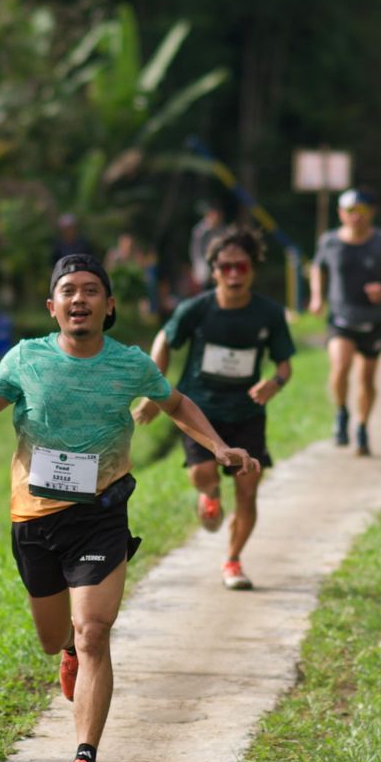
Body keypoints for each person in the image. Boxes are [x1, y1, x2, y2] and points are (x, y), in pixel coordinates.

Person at [0, 253, 258, 762]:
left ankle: (84, 759)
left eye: (91, 290)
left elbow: (176, 403)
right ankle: (65, 647)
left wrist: (219, 447)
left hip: (100, 514)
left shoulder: (130, 364)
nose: (80, 299)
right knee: (55, 639)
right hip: (34, 520)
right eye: (68, 290)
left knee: (93, 631)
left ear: (108, 306)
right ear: (52, 307)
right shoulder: (26, 359)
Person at [133, 227, 295, 591]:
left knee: (249, 489)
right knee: (201, 475)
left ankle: (233, 560)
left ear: (253, 268)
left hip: (247, 412)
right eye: (226, 267)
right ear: (213, 270)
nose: (234, 274)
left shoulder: (268, 314)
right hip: (200, 410)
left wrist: (275, 383)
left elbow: (284, 365)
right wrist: (154, 394)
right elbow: (164, 339)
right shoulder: (196, 309)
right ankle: (208, 495)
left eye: (242, 266)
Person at [309, 188, 381, 456]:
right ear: (341, 213)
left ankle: (362, 426)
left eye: (361, 211)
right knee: (340, 367)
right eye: (351, 211)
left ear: (371, 212)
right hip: (340, 317)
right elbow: (318, 267)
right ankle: (341, 413)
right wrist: (317, 296)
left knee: (366, 378)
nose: (356, 217)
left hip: (372, 319)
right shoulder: (329, 241)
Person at [188, 202, 225, 290]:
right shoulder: (200, 231)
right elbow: (196, 252)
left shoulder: (221, 230)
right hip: (204, 268)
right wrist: (200, 268)